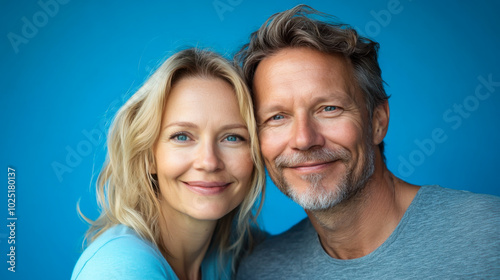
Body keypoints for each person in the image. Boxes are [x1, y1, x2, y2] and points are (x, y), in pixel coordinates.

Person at [235, 5, 500, 279]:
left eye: (329, 108)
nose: (304, 139)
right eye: (277, 117)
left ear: (377, 121)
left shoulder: (488, 235)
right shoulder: (261, 271)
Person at [71, 48, 265, 280]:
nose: (209, 162)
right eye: (182, 136)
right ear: (149, 156)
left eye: (232, 137)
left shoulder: (243, 252)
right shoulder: (120, 269)